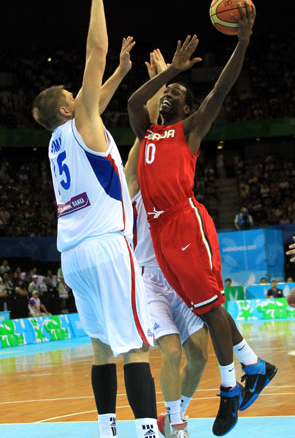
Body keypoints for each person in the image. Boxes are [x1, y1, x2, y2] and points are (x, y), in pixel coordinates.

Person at [127, 3, 277, 436]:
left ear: (188, 107)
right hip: (159, 236)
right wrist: (169, 72)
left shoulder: (189, 131)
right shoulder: (147, 131)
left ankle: (231, 391)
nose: (169, 96)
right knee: (205, 306)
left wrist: (243, 43)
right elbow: (137, 101)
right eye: (168, 94)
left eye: (176, 94)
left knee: (210, 308)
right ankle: (254, 365)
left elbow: (222, 89)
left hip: (184, 222)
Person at [31, 0, 159, 438]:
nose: (79, 92)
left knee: (102, 347)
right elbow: (94, 52)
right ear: (68, 105)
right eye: (73, 92)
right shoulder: (78, 123)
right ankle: (148, 432)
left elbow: (97, 101)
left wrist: (124, 72)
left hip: (73, 256)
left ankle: (107, 429)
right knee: (134, 347)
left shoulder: (57, 140)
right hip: (107, 246)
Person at [125, 49, 208, 438]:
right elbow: (148, 132)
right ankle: (176, 427)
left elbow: (168, 133)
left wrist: (167, 79)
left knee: (200, 355)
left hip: (180, 271)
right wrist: (164, 81)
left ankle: (175, 414)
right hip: (151, 278)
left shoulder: (174, 153)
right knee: (172, 353)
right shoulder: (136, 176)